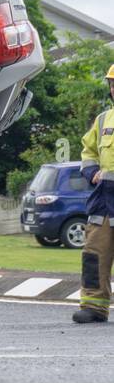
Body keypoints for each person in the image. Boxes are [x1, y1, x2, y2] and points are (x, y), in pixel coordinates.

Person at [73, 64, 114, 323]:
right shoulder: (103, 119)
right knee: (94, 253)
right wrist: (92, 172)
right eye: (112, 84)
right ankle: (94, 306)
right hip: (104, 200)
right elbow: (88, 153)